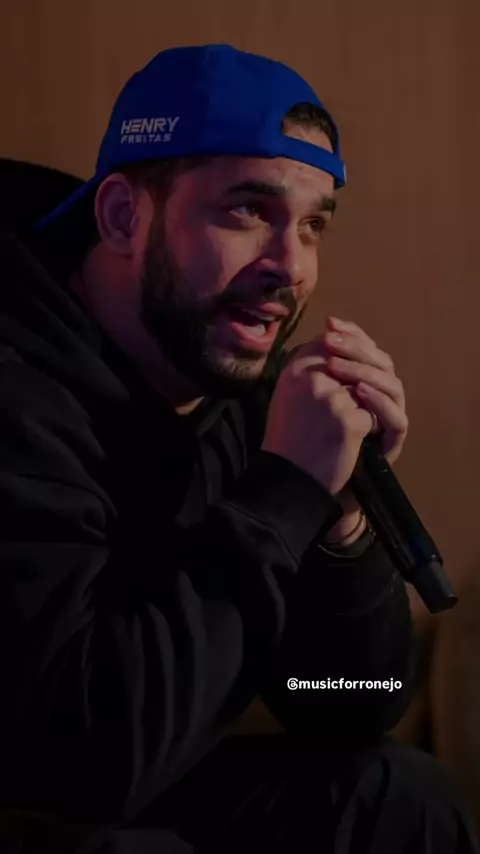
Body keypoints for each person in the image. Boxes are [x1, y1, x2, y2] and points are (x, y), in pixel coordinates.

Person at [0, 43, 477, 854]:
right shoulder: (20, 392)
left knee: (401, 796)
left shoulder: (244, 395)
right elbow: (82, 761)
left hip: (141, 772)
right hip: (43, 788)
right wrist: (282, 495)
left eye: (313, 225)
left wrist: (341, 526)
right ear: (122, 217)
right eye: (248, 211)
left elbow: (348, 700)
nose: (290, 267)